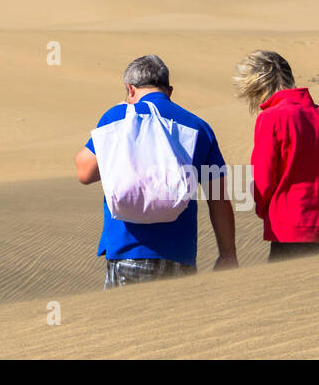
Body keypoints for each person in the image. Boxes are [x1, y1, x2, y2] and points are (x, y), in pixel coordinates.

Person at [75, 54, 237, 287]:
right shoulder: (199, 127)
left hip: (127, 252)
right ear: (169, 91)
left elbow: (85, 173)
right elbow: (219, 199)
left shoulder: (117, 117)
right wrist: (228, 254)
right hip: (180, 256)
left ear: (129, 89)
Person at [233, 50, 319, 262]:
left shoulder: (271, 118)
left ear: (259, 84)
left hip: (289, 229)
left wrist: (263, 208)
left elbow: (263, 180)